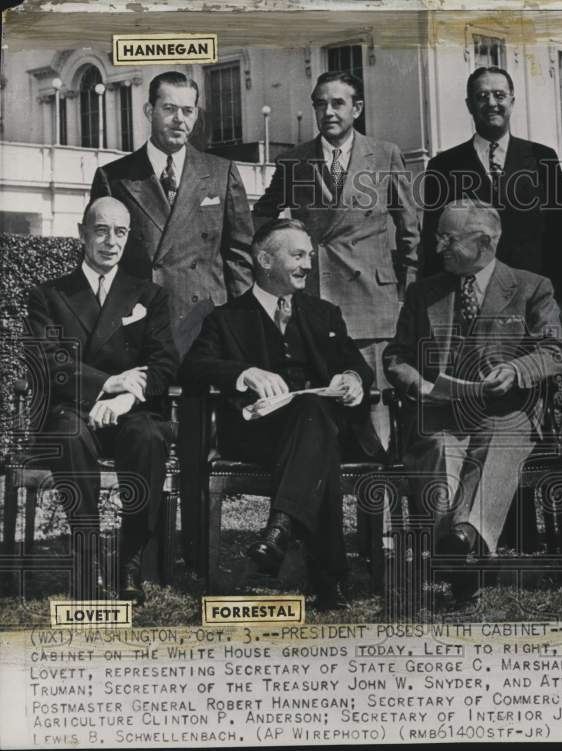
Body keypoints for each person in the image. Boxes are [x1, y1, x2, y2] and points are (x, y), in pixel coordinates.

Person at [179, 218, 374, 610]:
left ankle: (279, 531)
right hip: (258, 434)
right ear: (265, 260)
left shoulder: (325, 314)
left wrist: (353, 379)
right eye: (298, 255)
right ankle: (327, 576)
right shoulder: (226, 318)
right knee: (318, 435)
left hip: (320, 427)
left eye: (310, 256)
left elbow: (359, 366)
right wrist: (243, 372)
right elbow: (194, 368)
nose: (307, 265)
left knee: (315, 415)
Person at [383, 200, 562, 603]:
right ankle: (463, 552)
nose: (439, 245)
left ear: (484, 241)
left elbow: (554, 351)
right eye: (439, 237)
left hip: (506, 409)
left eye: (448, 238)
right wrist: (420, 386)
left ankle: (463, 541)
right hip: (441, 408)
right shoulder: (424, 292)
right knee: (440, 447)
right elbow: (396, 356)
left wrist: (516, 371)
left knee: (496, 440)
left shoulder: (532, 287)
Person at [252, 71, 420, 460]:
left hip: (371, 303)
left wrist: (405, 295)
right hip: (315, 300)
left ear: (357, 108)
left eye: (338, 103)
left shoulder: (386, 155)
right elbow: (261, 217)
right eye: (320, 104)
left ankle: (382, 502)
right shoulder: (294, 162)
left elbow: (411, 231)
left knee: (376, 409)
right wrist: (284, 252)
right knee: (322, 405)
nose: (328, 111)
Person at [25, 197, 179, 604]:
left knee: (148, 438)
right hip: (73, 409)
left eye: (121, 232)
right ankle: (87, 555)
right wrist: (108, 383)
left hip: (131, 412)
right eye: (101, 230)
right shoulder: (49, 294)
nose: (111, 242)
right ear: (82, 233)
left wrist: (127, 398)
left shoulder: (149, 295)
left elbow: (163, 364)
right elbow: (48, 361)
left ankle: (130, 560)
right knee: (69, 433)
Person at [90, 70, 254, 354]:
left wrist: (243, 328)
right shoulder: (114, 178)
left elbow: (240, 259)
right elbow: (98, 263)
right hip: (141, 326)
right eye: (169, 109)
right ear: (149, 110)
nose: (180, 119)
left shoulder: (221, 173)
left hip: (207, 326)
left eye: (188, 110)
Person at [420, 66, 562, 307]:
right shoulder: (444, 166)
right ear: (469, 105)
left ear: (512, 101)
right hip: (469, 296)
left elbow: (560, 236)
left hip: (531, 295)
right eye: (482, 96)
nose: (492, 103)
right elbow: (433, 241)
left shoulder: (542, 158)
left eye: (499, 95)